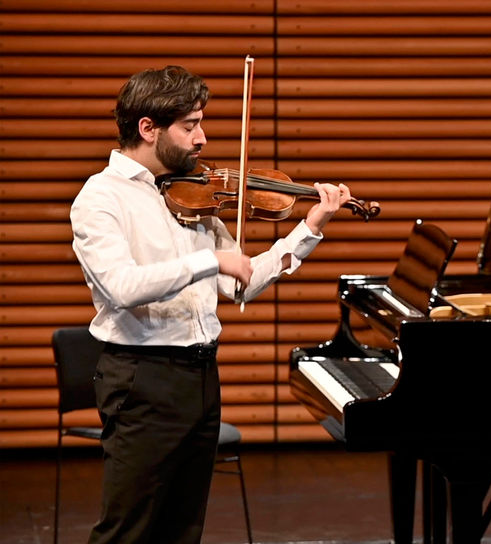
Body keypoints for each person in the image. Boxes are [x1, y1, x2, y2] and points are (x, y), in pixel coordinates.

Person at [70, 65, 351, 543]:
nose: (203, 138)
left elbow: (239, 282)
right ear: (148, 128)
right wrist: (209, 260)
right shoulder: (100, 199)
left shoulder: (191, 193)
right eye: (190, 125)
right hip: (142, 379)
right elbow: (122, 286)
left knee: (183, 529)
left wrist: (311, 228)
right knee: (127, 530)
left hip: (200, 377)